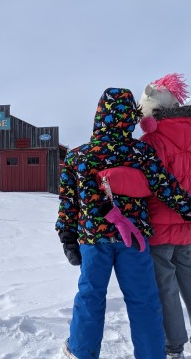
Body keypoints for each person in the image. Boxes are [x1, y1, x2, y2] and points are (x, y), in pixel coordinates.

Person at [55, 87, 191, 359]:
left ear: (99, 115)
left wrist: (67, 237)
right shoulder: (140, 152)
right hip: (135, 239)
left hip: (94, 239)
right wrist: (187, 209)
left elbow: (68, 203)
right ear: (131, 116)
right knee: (144, 301)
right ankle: (152, 354)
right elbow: (166, 187)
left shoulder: (79, 156)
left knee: (90, 297)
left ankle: (82, 351)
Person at [96, 74, 191, 359]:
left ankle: (173, 346)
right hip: (188, 227)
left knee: (166, 288)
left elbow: (145, 183)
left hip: (160, 227)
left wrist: (107, 181)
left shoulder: (152, 142)